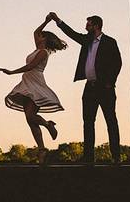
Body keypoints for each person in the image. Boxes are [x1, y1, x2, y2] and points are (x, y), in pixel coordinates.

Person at [49, 12, 122, 164]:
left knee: (111, 121)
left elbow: (117, 63)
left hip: (105, 88)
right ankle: (89, 157)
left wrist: (110, 82)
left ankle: (116, 156)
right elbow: (72, 34)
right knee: (88, 122)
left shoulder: (110, 42)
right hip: (90, 87)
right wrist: (58, 21)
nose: (85, 26)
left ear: (96, 26)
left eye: (88, 24)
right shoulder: (87, 40)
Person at [0, 14, 68, 164]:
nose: (37, 38)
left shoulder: (44, 52)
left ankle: (48, 125)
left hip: (36, 84)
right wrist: (46, 21)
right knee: (29, 119)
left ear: (44, 39)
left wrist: (12, 72)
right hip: (27, 83)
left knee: (31, 117)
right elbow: (35, 32)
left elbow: (31, 67)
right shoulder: (36, 49)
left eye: (41, 37)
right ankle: (42, 149)